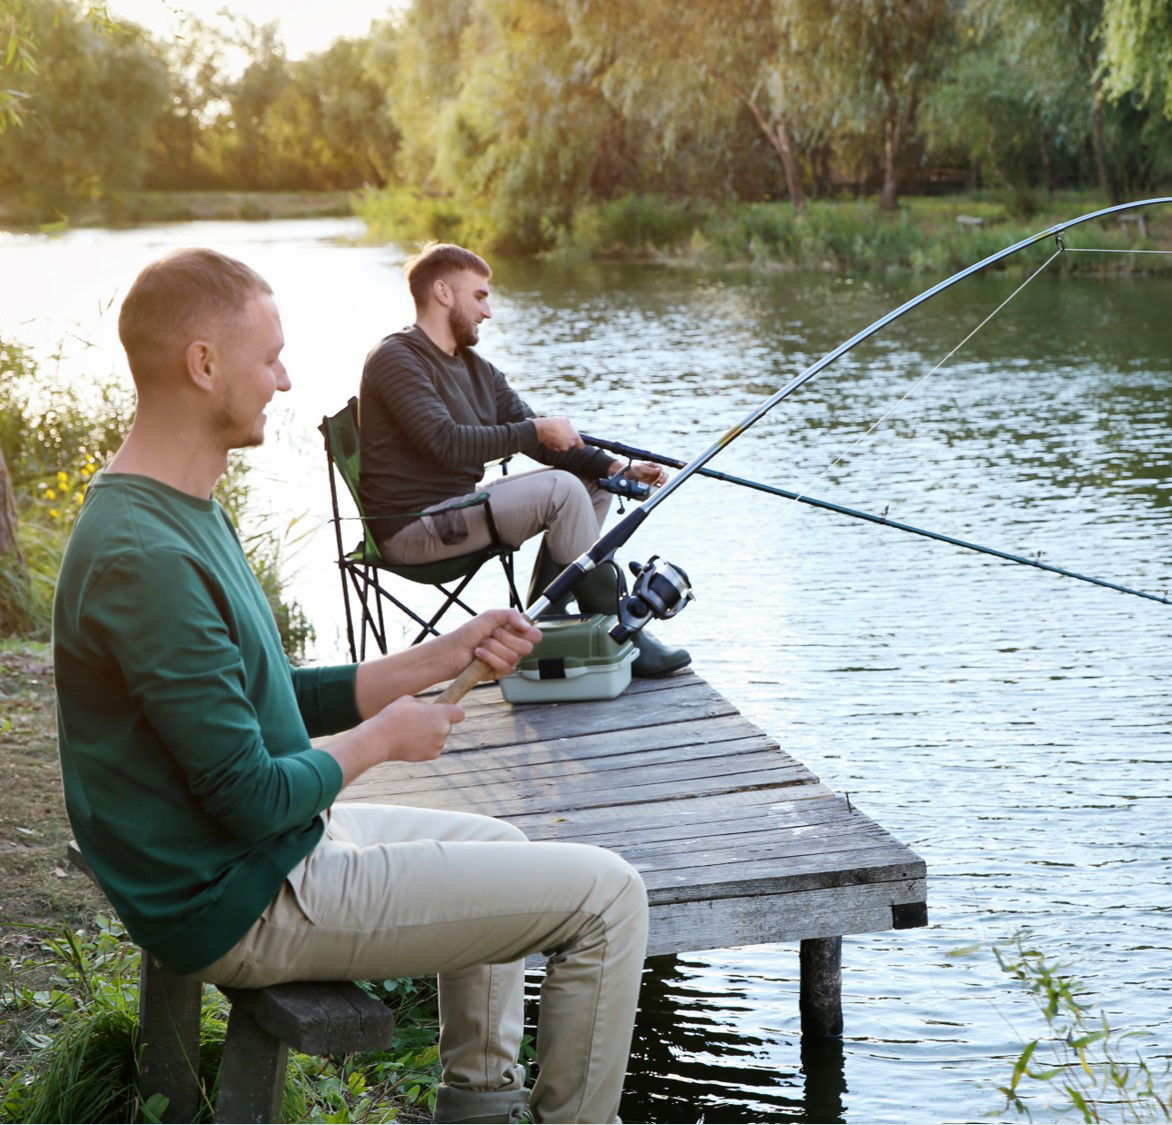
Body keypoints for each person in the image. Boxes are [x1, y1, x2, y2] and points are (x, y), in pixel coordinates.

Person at [53, 248, 650, 1125]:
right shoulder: (146, 556)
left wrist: (443, 654)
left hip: (250, 856)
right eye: (270, 358)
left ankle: (478, 1109)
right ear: (203, 363)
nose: (286, 381)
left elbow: (267, 696)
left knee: (504, 843)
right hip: (238, 894)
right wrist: (382, 741)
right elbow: (249, 795)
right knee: (610, 896)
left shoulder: (175, 506)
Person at [359, 242, 690, 677]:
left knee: (589, 484)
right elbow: (445, 443)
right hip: (413, 527)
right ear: (442, 292)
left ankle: (546, 618)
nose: (488, 311)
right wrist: (534, 430)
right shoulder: (397, 358)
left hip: (455, 514)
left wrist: (615, 468)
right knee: (563, 489)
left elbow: (535, 436)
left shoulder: (476, 368)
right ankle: (620, 631)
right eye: (479, 296)